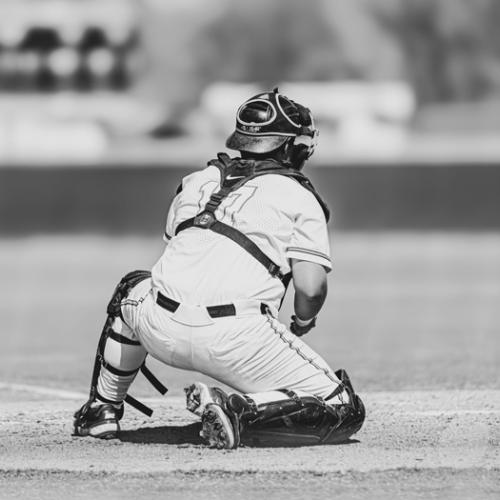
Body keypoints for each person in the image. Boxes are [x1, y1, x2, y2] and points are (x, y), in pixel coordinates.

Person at [73, 88, 365, 449]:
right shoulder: (300, 197)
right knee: (342, 406)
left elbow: (184, 255)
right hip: (238, 340)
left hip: (159, 327)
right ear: (292, 147)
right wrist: (303, 321)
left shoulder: (196, 181)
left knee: (133, 287)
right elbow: (310, 289)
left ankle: (101, 410)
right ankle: (238, 410)